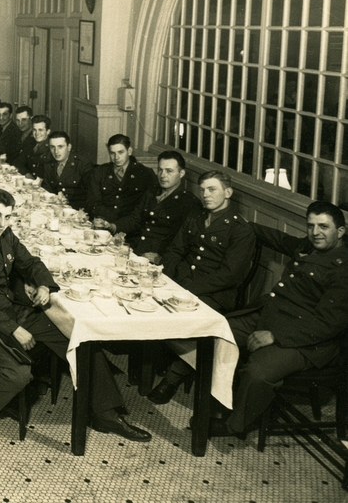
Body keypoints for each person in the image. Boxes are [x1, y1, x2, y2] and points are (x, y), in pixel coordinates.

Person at [0, 189, 151, 442]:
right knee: (19, 374)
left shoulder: (5, 234)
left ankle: (106, 414)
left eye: (7, 216)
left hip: (11, 309)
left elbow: (31, 262)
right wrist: (13, 329)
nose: (2, 223)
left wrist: (44, 284)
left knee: (78, 338)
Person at [210, 201, 348, 437]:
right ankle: (220, 399)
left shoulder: (343, 269)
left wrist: (275, 336)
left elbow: (328, 324)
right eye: (311, 226)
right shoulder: (310, 246)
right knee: (215, 333)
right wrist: (240, 223)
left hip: (307, 341)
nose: (315, 233)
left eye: (323, 227)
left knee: (258, 373)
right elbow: (278, 238)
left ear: (341, 231)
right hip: (271, 316)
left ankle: (236, 425)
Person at [148, 171, 256, 404]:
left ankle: (173, 377)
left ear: (228, 193)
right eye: (203, 190)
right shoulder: (196, 218)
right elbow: (175, 251)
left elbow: (229, 275)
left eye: (212, 189)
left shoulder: (239, 230)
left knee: (198, 325)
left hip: (216, 294)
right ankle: (150, 364)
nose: (205, 195)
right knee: (147, 300)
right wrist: (174, 279)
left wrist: (190, 288)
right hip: (184, 283)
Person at [107, 151, 202, 261]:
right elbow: (135, 219)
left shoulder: (189, 202)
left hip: (156, 258)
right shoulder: (152, 191)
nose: (162, 175)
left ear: (181, 174)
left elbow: (185, 243)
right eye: (160, 170)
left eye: (169, 171)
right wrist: (113, 226)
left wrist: (162, 259)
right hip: (135, 250)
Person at [86, 134, 157, 226]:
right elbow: (93, 203)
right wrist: (107, 222)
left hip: (131, 228)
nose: (116, 157)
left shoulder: (145, 173)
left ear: (129, 151)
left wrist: (119, 225)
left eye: (121, 152)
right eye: (112, 153)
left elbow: (148, 206)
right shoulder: (99, 172)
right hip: (103, 224)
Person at [39, 131, 93, 210]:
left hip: (76, 210)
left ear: (69, 147)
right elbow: (47, 189)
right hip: (55, 208)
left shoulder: (82, 164)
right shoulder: (48, 163)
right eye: (52, 147)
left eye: (60, 147)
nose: (56, 151)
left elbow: (90, 196)